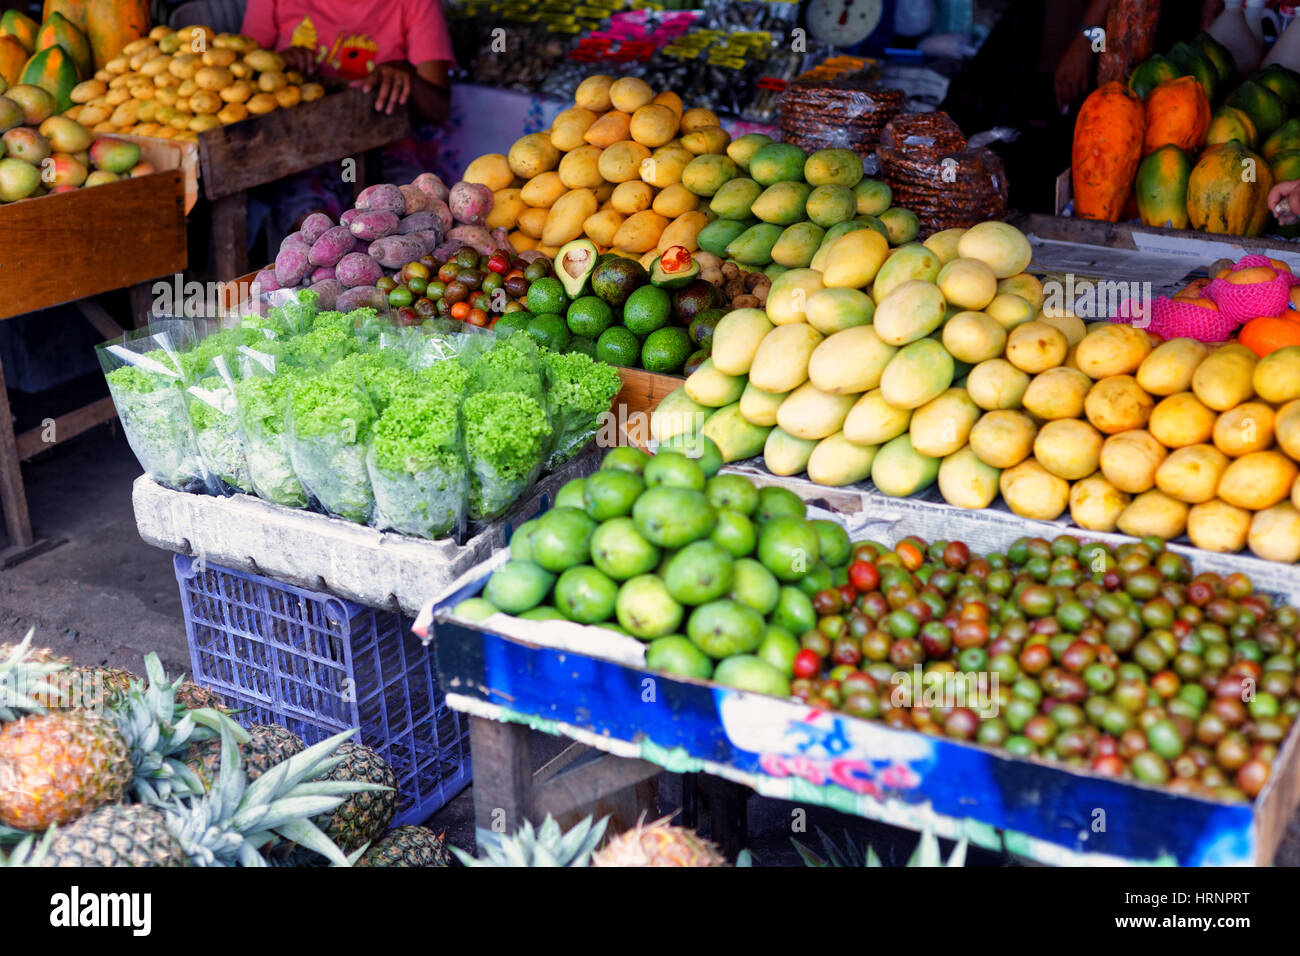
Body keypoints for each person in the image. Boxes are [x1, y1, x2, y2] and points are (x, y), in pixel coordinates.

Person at [239, 0, 455, 248]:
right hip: (299, 160)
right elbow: (239, 81)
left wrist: (406, 75)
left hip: (389, 153)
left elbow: (438, 110)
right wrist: (278, 65)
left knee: (421, 231)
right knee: (318, 237)